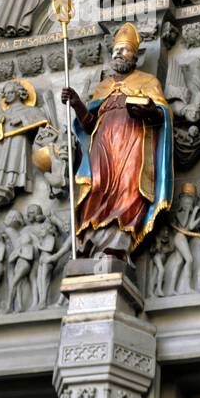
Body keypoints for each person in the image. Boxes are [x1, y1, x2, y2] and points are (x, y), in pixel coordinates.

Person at [61, 23, 174, 259]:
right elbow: (89, 124)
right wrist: (77, 103)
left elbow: (162, 114)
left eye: (124, 50)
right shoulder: (104, 86)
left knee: (128, 189)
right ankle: (91, 240)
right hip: (103, 145)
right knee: (98, 188)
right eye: (115, 50)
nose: (118, 54)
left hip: (132, 143)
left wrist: (149, 111)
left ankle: (118, 242)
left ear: (135, 55)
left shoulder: (147, 81)